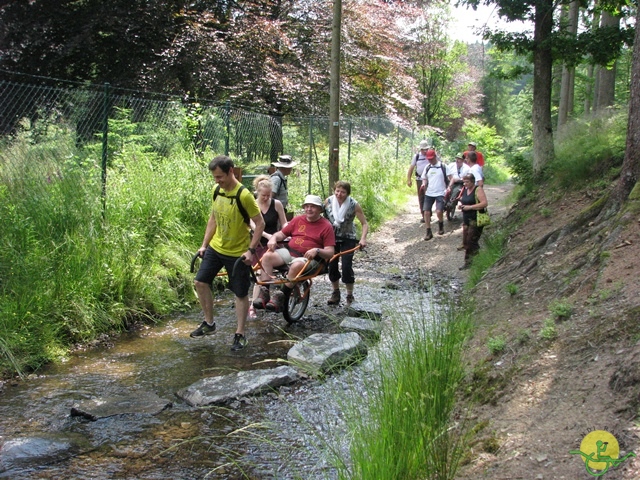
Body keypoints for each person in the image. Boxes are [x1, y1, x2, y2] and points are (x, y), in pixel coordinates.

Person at [191, 155, 265, 352]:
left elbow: (260, 224)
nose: (217, 181)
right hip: (216, 247)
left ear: (231, 171)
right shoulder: (217, 191)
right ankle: (209, 323)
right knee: (200, 282)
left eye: (220, 177)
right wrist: (204, 245)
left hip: (238, 253)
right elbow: (213, 218)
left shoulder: (244, 196)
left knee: (240, 293)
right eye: (215, 177)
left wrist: (251, 251)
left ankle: (240, 334)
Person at [254, 195, 335, 312]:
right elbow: (281, 234)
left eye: (312, 206)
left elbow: (330, 252)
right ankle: (264, 293)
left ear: (320, 209)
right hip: (290, 252)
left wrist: (317, 250)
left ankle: (281, 296)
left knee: (295, 265)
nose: (309, 209)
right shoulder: (298, 220)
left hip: (310, 258)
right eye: (307, 206)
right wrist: (273, 238)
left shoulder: (326, 226)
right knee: (267, 257)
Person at [248, 175, 288, 318]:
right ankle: (253, 304)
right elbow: (253, 226)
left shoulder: (277, 204)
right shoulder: (252, 205)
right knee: (259, 272)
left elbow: (284, 223)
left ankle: (275, 298)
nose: (266, 198)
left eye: (268, 195)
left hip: (275, 243)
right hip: (258, 243)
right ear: (258, 193)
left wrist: (284, 233)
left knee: (283, 268)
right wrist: (267, 236)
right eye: (263, 195)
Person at [324, 181, 369, 306]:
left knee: (346, 266)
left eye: (343, 192)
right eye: (337, 191)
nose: (339, 194)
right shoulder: (327, 202)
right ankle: (335, 292)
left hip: (348, 238)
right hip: (331, 238)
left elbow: (364, 223)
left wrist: (363, 238)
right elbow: (320, 219)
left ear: (347, 193)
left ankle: (349, 295)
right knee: (331, 265)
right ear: (334, 191)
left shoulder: (354, 205)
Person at [458, 173, 488, 269]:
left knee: (471, 240)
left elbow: (484, 203)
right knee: (466, 241)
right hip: (466, 220)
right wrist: (462, 206)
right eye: (464, 182)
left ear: (472, 181)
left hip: (476, 219)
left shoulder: (478, 190)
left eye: (467, 182)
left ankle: (471, 262)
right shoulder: (465, 190)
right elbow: (465, 201)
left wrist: (470, 207)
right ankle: (474, 260)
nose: (465, 184)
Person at [420, 148, 448, 240]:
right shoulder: (427, 167)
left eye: (432, 158)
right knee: (426, 212)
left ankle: (441, 224)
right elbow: (424, 177)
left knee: (439, 211)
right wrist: (424, 184)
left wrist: (449, 187)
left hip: (440, 192)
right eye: (429, 159)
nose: (430, 160)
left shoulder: (443, 166)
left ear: (435, 156)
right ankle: (428, 231)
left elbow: (451, 177)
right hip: (429, 192)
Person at [406, 140, 432, 222]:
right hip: (419, 179)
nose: (425, 151)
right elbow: (411, 168)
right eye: (423, 149)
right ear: (420, 149)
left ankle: (428, 213)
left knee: (429, 196)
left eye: (426, 149)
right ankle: (424, 214)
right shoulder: (416, 156)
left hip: (429, 179)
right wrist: (409, 179)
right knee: (421, 197)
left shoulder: (430, 156)